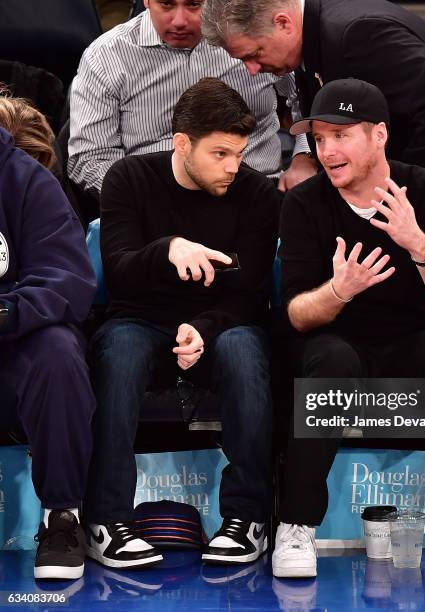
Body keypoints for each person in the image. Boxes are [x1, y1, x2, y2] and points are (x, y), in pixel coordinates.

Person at [269, 79, 425, 578]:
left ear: (379, 134)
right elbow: (295, 313)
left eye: (341, 135)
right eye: (319, 139)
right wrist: (339, 291)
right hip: (337, 339)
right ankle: (295, 527)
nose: (327, 150)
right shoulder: (304, 204)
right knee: (328, 362)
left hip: (415, 337)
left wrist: (417, 243)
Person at [85, 77, 279, 569]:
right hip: (141, 321)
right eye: (220, 154)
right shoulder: (129, 178)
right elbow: (122, 276)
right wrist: (169, 248)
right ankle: (106, 519)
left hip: (223, 325)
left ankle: (247, 518)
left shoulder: (256, 193)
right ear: (182, 143)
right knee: (120, 350)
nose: (234, 167)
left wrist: (204, 328)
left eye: (239, 152)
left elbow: (251, 292)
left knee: (246, 348)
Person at [201, 0, 425, 238]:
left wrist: (398, 194)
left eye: (255, 54)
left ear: (283, 23)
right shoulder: (318, 36)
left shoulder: (355, 33)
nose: (252, 69)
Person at [68, 0, 317, 198]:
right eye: (166, 4)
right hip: (155, 208)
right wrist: (139, 199)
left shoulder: (252, 35)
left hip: (264, 195)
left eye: (194, 4)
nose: (179, 21)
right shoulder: (105, 57)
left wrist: (305, 158)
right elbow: (89, 158)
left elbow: (306, 102)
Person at [0, 125, 96, 580]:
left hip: (15, 340)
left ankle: (62, 516)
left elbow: (66, 279)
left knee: (58, 351)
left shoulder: (27, 181)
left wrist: (6, 312)